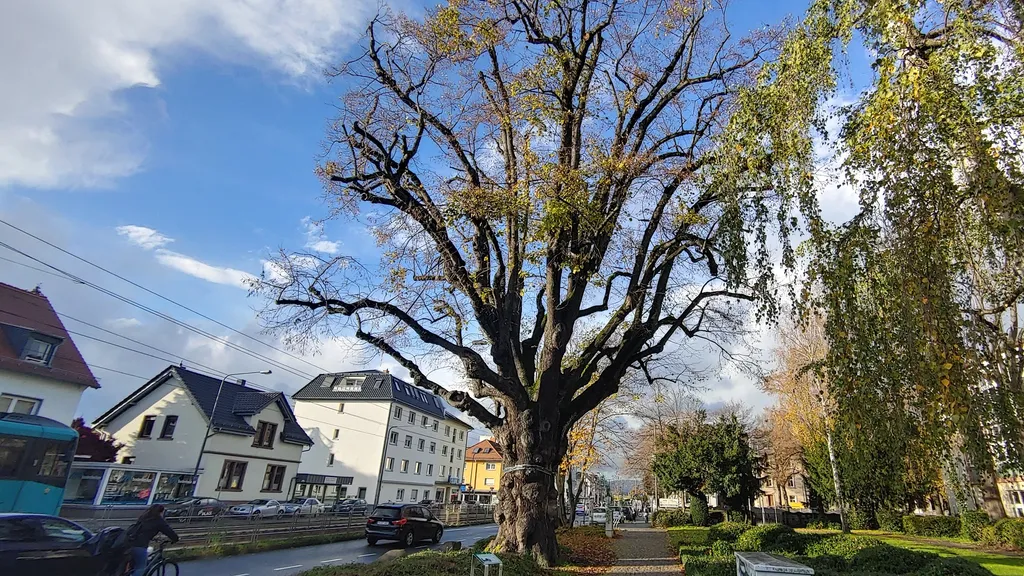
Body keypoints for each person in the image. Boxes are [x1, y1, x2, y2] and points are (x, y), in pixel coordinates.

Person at [125, 504, 179, 576]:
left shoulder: (144, 517)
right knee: (141, 568)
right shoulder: (158, 520)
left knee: (134, 565)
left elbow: (143, 530)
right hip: (140, 545)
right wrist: (175, 539)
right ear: (161, 512)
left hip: (128, 542)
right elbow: (169, 531)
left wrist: (152, 537)